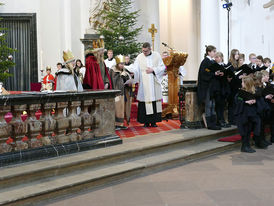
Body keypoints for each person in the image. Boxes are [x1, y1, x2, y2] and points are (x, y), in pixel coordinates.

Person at [132, 42, 165, 127]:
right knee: (144, 102)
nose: (144, 53)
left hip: (154, 82)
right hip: (144, 83)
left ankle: (154, 122)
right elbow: (135, 68)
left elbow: (162, 67)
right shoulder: (139, 57)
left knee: (154, 101)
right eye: (143, 51)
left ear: (150, 49)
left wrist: (153, 70)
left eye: (146, 51)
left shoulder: (157, 55)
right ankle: (146, 122)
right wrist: (132, 73)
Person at [234, 76, 262, 153]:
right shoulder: (240, 92)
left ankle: (247, 145)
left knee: (249, 130)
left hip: (251, 113)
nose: (241, 83)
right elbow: (237, 101)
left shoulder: (254, 92)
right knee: (244, 130)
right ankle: (244, 146)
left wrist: (254, 101)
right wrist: (245, 102)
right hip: (243, 113)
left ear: (247, 84)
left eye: (243, 82)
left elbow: (258, 101)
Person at [197, 45, 221, 130]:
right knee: (209, 104)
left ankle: (214, 122)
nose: (215, 53)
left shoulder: (212, 61)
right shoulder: (205, 62)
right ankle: (210, 124)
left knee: (213, 104)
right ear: (209, 52)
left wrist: (218, 72)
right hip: (207, 87)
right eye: (214, 52)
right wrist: (214, 73)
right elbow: (204, 74)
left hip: (212, 87)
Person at [109, 55, 133, 130]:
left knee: (122, 109)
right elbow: (113, 81)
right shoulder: (113, 70)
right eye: (121, 64)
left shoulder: (124, 70)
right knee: (117, 109)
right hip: (116, 93)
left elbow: (128, 79)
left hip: (124, 92)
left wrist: (128, 79)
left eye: (123, 63)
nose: (122, 65)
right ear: (117, 64)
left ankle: (121, 124)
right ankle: (116, 124)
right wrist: (120, 76)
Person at [211, 52, 230, 128]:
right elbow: (210, 74)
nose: (216, 58)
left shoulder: (225, 66)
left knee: (223, 105)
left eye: (218, 57)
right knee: (218, 105)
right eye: (215, 57)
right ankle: (219, 121)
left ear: (222, 57)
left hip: (224, 88)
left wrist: (227, 76)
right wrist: (216, 73)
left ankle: (223, 120)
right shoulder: (213, 66)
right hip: (217, 88)